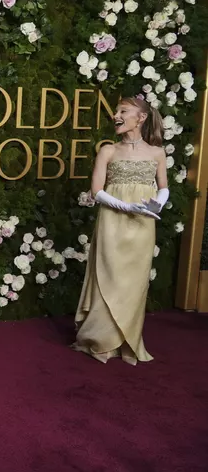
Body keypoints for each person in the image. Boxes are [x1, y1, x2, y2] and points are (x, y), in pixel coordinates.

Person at [72, 96, 168, 365]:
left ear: (141, 118)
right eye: (116, 110)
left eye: (123, 111)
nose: (116, 114)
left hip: (144, 224)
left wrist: (157, 204)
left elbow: (164, 186)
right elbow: (97, 191)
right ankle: (100, 340)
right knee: (108, 275)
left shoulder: (157, 153)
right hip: (112, 221)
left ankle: (127, 339)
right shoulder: (108, 151)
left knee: (134, 281)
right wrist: (125, 207)